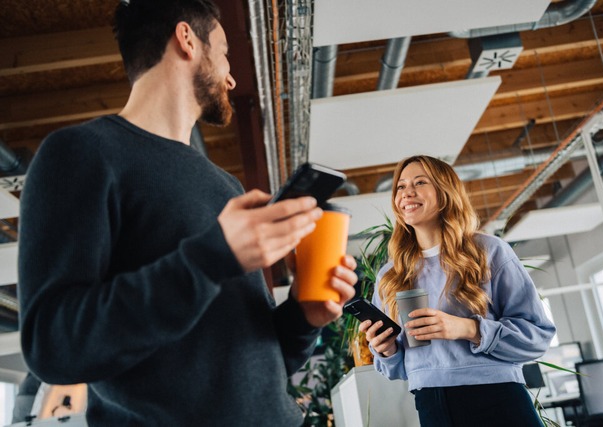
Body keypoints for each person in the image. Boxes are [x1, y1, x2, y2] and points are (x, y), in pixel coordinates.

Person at [17, 1, 357, 426]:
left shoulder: (226, 187)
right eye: (225, 52)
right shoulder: (81, 154)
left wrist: (303, 318)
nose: (232, 77)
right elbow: (52, 346)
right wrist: (212, 256)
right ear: (186, 40)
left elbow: (259, 370)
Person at [359, 155, 556, 427]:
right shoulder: (391, 275)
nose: (407, 193)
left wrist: (466, 328)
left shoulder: (489, 251)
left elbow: (537, 335)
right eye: (400, 187)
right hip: (432, 404)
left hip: (497, 397)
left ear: (445, 193)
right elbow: (399, 369)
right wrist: (387, 350)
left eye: (419, 182)